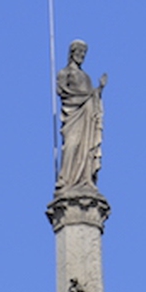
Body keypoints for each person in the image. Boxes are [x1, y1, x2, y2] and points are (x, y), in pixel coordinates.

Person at [55, 40, 105, 191]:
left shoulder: (86, 77)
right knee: (71, 144)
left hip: (87, 117)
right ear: (72, 53)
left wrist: (99, 89)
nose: (81, 55)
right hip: (73, 115)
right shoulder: (65, 73)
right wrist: (83, 96)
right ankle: (65, 179)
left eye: (84, 53)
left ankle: (85, 178)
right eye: (79, 52)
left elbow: (91, 95)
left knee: (86, 146)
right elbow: (62, 91)